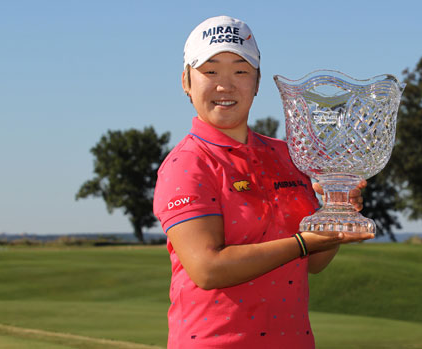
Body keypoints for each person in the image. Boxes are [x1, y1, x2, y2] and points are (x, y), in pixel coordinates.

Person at [153, 15, 374, 348]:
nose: (224, 85)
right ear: (186, 81)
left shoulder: (288, 156)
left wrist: (334, 214)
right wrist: (303, 242)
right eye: (210, 71)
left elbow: (312, 263)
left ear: (256, 83)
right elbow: (207, 268)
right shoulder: (187, 164)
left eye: (240, 71)